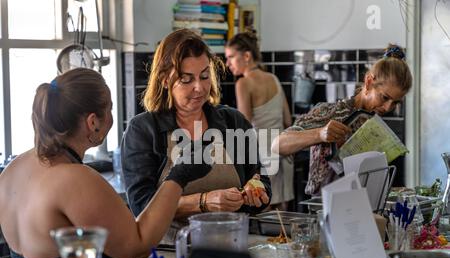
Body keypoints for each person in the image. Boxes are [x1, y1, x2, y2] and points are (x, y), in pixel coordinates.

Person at [0, 68, 211, 258]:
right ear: (93, 122)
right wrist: (179, 175)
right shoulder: (73, 178)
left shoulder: (14, 168)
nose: (111, 114)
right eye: (109, 108)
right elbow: (138, 245)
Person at [121, 29, 271, 244]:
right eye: (186, 79)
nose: (199, 87)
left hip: (233, 246)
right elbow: (142, 206)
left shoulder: (233, 122)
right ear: (165, 79)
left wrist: (255, 192)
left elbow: (261, 180)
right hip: (172, 255)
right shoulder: (143, 129)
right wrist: (204, 202)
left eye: (204, 76)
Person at [273, 45, 413, 196]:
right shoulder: (331, 113)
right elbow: (277, 145)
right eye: (385, 97)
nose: (387, 107)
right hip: (325, 209)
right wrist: (319, 134)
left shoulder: (375, 125)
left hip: (363, 207)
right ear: (368, 82)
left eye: (395, 103)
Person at [225, 32, 294, 211]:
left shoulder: (243, 83)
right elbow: (287, 120)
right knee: (282, 217)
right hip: (284, 154)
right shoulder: (274, 79)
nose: (228, 64)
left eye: (231, 57)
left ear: (247, 56)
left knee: (264, 215)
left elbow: (244, 127)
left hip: (263, 157)